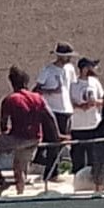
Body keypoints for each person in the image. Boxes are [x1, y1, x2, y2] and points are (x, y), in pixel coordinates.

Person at [0, 65, 61, 195]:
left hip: (17, 138)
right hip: (34, 138)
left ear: (11, 82)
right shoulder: (37, 98)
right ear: (26, 82)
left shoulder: (10, 99)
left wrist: (5, 134)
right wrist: (57, 135)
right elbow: (50, 116)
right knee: (20, 165)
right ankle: (20, 191)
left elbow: (3, 122)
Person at [35, 42, 77, 181]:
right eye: (67, 56)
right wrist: (51, 91)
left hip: (66, 109)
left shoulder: (70, 69)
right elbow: (37, 89)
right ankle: (50, 173)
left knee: (61, 142)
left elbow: (72, 86)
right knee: (54, 140)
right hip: (52, 109)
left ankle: (51, 168)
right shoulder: (48, 70)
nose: (69, 59)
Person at [69, 57, 103, 174]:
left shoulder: (95, 82)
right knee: (77, 158)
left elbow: (103, 100)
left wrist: (94, 103)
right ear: (84, 69)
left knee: (93, 157)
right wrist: (80, 106)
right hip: (77, 126)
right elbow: (68, 102)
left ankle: (94, 181)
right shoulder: (73, 84)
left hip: (93, 125)